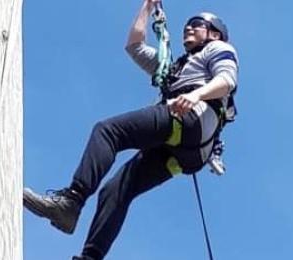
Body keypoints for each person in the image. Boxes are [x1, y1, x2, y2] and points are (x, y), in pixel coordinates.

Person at [23, 0, 239, 259]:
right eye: (187, 26)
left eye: (196, 25)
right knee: (115, 190)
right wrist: (147, 8)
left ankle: (71, 202)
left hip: (190, 119)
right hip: (183, 152)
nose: (188, 29)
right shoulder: (174, 69)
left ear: (214, 33)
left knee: (108, 131)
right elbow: (134, 46)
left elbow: (226, 80)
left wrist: (196, 96)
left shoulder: (218, 48)